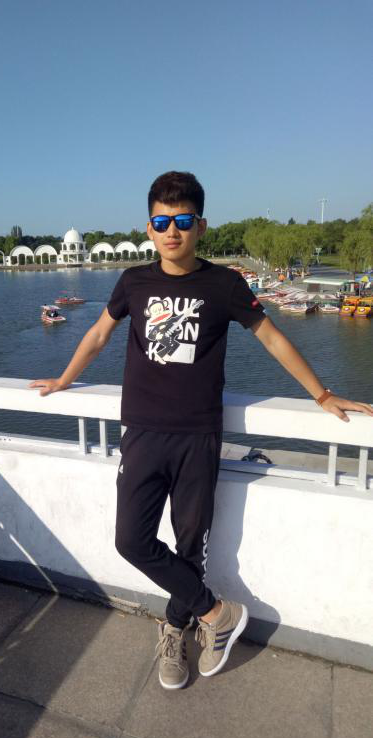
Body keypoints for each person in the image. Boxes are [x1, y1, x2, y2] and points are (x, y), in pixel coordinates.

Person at [29, 171, 372, 691]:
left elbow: (272, 339)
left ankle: (176, 628)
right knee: (132, 540)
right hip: (142, 432)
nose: (172, 231)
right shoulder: (133, 282)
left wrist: (322, 395)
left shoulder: (223, 285)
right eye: (162, 222)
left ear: (201, 226)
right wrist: (63, 379)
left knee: (191, 543)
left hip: (198, 436)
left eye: (183, 221)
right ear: (149, 228)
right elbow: (99, 334)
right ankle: (217, 614)